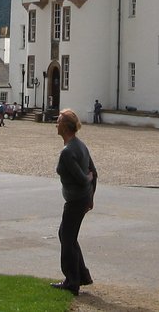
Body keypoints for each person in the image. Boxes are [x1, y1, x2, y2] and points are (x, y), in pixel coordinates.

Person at [52, 108, 97, 296]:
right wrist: (91, 197)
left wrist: (87, 182)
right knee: (67, 235)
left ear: (65, 126)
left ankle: (72, 281)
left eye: (59, 120)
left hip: (76, 201)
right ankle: (81, 276)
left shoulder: (68, 151)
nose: (56, 123)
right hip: (82, 199)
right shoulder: (80, 145)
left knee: (66, 237)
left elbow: (84, 177)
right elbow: (94, 172)